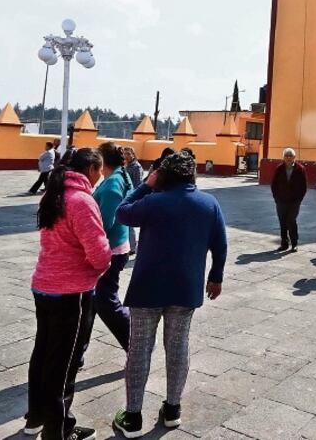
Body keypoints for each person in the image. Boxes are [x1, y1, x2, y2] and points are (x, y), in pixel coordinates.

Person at [112, 151, 227, 435]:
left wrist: (147, 184)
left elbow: (122, 211)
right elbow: (220, 244)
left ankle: (133, 416)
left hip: (147, 288)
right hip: (185, 288)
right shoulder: (208, 204)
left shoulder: (153, 202)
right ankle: (173, 409)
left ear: (164, 175)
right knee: (178, 348)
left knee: (139, 349)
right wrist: (215, 276)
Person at [24, 147, 111, 440]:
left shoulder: (53, 194)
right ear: (90, 170)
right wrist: (99, 266)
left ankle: (35, 417)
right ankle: (58, 431)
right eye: (99, 171)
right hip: (71, 291)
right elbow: (99, 254)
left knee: (43, 355)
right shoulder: (81, 200)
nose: (100, 177)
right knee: (63, 365)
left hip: (44, 284)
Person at [92, 142, 133, 350]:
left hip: (111, 249)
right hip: (115, 246)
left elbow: (105, 222)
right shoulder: (116, 178)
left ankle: (135, 343)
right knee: (92, 301)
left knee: (106, 302)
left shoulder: (112, 184)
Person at [270, 147, 307, 252]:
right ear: (283, 157)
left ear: (294, 157)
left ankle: (294, 243)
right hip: (281, 201)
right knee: (282, 222)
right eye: (286, 156)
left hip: (294, 202)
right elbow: (274, 185)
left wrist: (299, 199)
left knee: (291, 221)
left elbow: (304, 186)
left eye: (290, 156)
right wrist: (276, 198)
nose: (288, 158)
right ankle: (284, 243)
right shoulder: (279, 169)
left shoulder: (300, 169)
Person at [122, 147, 144, 254]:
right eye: (125, 153)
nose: (126, 155)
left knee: (129, 224)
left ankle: (132, 247)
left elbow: (138, 184)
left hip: (132, 197)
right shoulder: (126, 165)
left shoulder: (136, 167)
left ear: (133, 154)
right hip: (125, 196)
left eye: (128, 153)